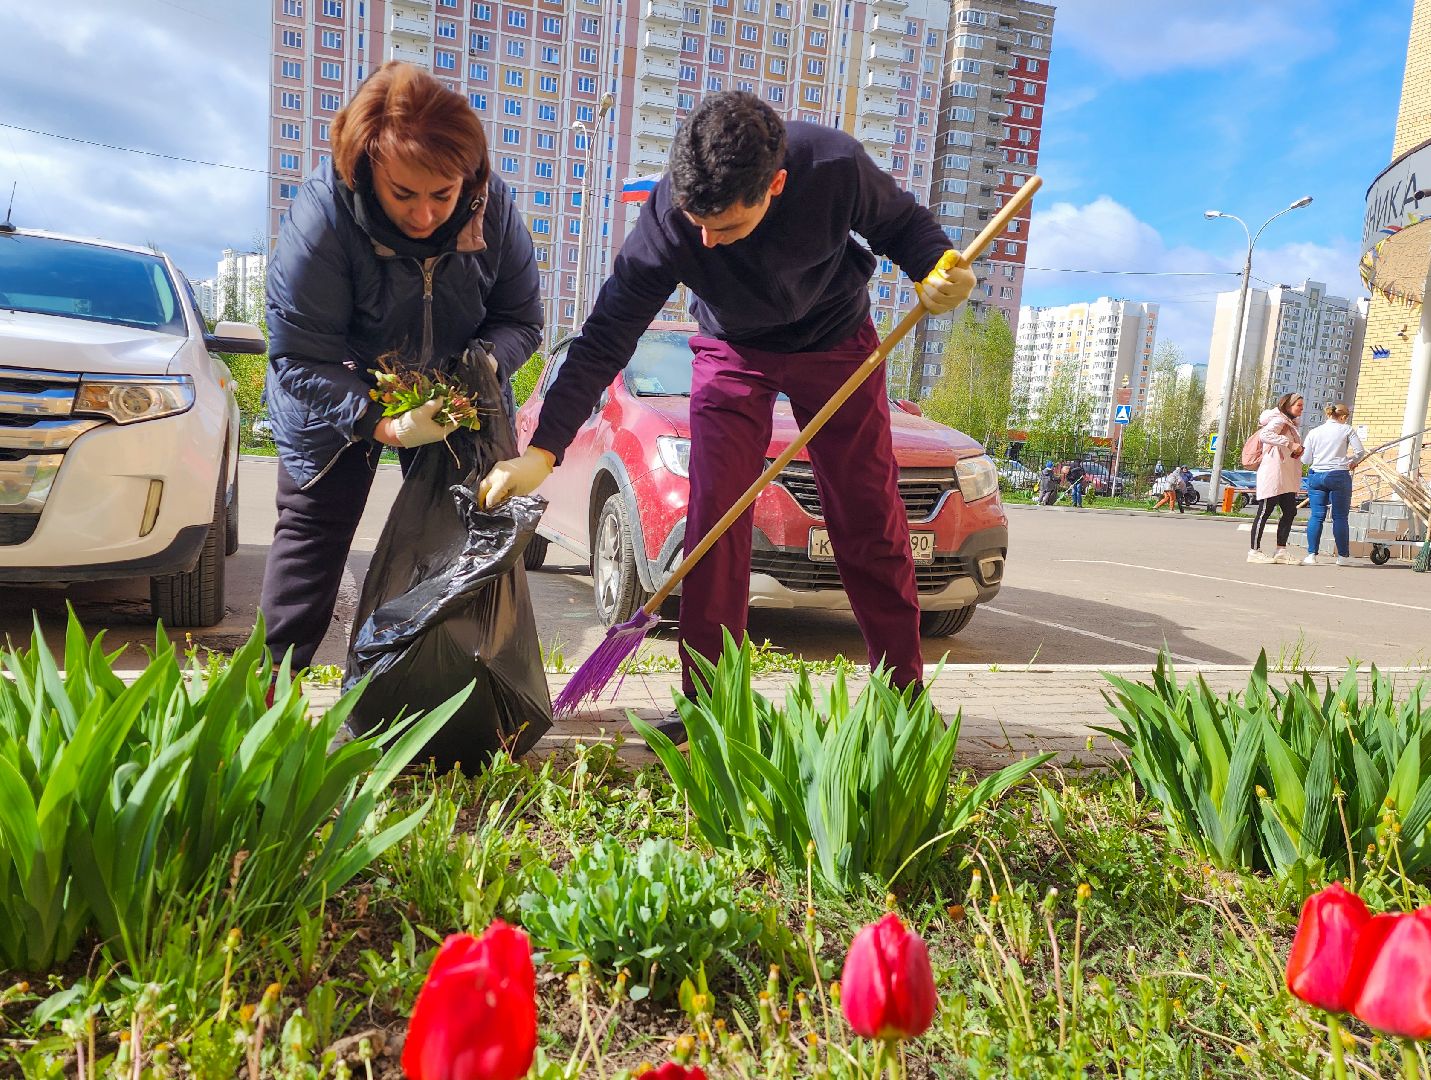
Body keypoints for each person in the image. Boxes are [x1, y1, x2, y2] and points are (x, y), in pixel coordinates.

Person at [477, 91, 976, 732]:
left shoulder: (835, 167)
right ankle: (711, 706)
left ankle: (902, 701)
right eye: (698, 224)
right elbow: (606, 336)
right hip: (732, 351)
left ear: (776, 184)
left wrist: (936, 267)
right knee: (714, 521)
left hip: (835, 342)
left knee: (868, 517)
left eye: (728, 227)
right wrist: (542, 451)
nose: (707, 242)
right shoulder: (669, 219)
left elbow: (906, 227)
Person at [260, 62, 542, 672]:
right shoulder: (324, 219)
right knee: (312, 538)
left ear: (468, 178)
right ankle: (270, 702)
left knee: (465, 536)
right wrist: (380, 421)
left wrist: (482, 366)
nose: (423, 216)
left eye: (442, 195)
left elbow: (522, 321)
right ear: (366, 172)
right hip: (338, 394)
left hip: (452, 397)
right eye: (403, 195)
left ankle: (443, 690)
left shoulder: (493, 213)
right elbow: (298, 355)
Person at [1301, 402, 1365, 566]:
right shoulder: (1347, 429)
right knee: (1340, 517)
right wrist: (1351, 462)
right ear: (1343, 417)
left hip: (1316, 475)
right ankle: (1342, 557)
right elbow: (1360, 451)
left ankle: (1311, 555)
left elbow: (1306, 459)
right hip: (1338, 474)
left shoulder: (1314, 432)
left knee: (1316, 516)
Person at [1248, 393, 1305, 565]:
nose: (1302, 409)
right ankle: (1254, 551)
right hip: (1273, 473)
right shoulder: (1279, 420)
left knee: (1290, 511)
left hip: (1285, 474)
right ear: (1288, 406)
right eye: (1299, 406)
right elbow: (1266, 435)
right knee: (1265, 510)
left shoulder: (1290, 423)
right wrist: (1289, 444)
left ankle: (1281, 550)